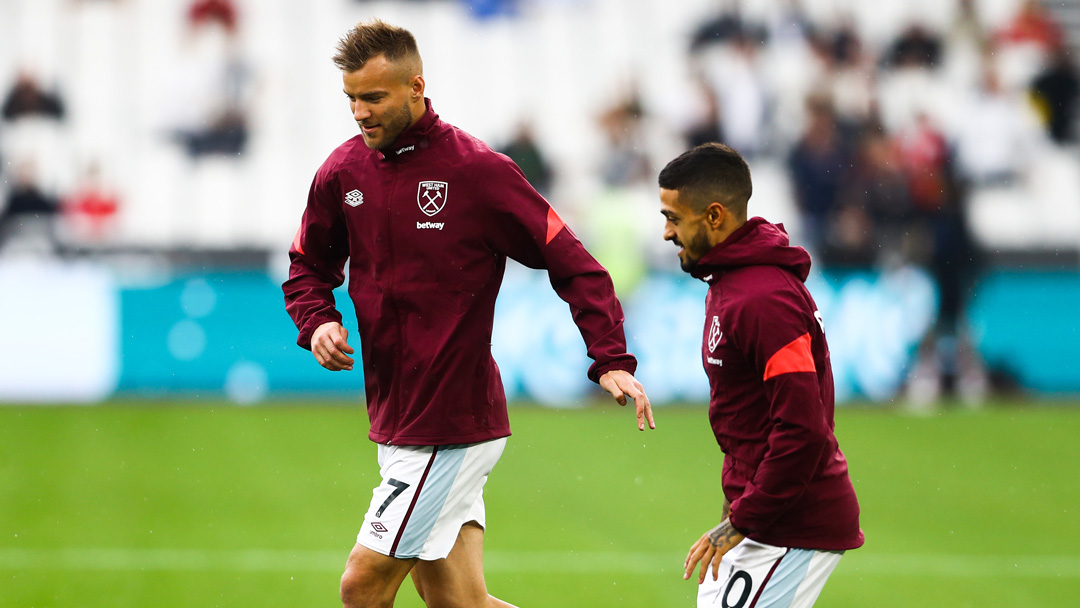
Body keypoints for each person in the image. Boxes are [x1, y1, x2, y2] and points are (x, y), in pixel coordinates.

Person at [281, 20, 653, 608]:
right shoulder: (342, 173)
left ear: (415, 87)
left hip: (449, 423)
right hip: (397, 416)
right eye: (351, 98)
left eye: (373, 97)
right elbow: (307, 265)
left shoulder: (478, 173)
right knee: (461, 605)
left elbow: (575, 263)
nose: (359, 112)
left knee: (361, 586)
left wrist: (609, 356)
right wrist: (317, 320)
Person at [656, 143, 862, 607]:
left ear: (713, 216)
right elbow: (751, 419)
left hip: (791, 523)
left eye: (673, 217)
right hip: (766, 517)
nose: (666, 232)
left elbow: (802, 428)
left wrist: (743, 518)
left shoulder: (762, 300)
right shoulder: (731, 284)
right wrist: (737, 505)